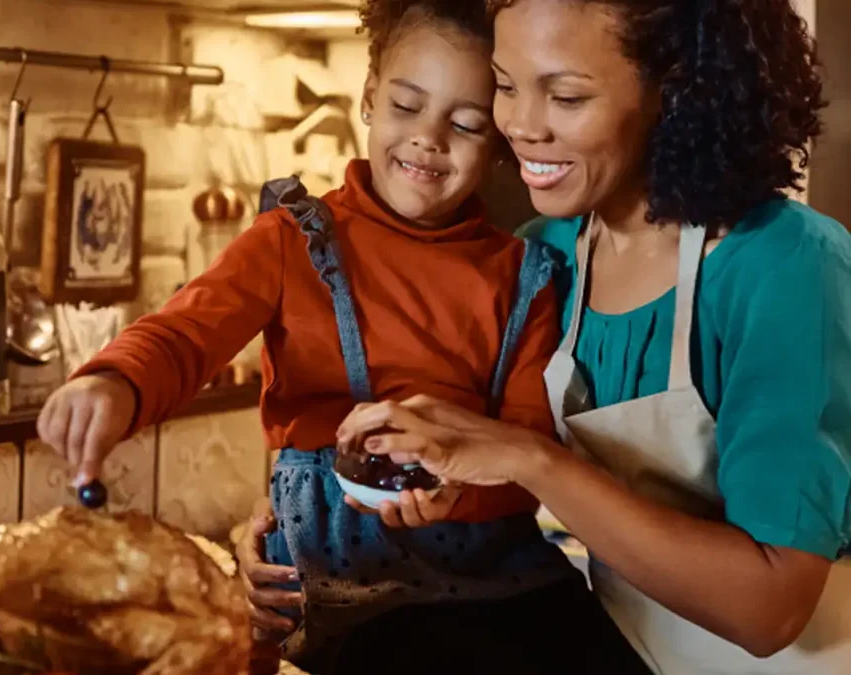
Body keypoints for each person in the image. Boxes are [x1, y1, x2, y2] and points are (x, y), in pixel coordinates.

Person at [38, 1, 651, 672]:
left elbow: (529, 451)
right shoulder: (289, 242)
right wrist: (114, 381)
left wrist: (461, 490)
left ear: (500, 140)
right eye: (406, 106)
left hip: (502, 579)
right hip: (343, 594)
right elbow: (185, 333)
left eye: (466, 123)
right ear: (368, 97)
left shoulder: (528, 277)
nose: (427, 139)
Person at [325, 0, 851, 673]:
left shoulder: (783, 264)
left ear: (677, 87)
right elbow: (472, 464)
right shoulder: (542, 258)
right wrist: (291, 531)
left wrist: (532, 460)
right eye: (506, 85)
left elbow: (770, 608)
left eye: (566, 95)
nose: (517, 125)